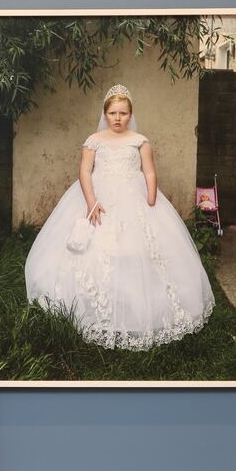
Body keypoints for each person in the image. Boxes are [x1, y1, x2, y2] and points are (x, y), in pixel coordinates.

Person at [24, 85, 215, 351]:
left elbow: (149, 172)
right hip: (99, 197)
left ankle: (138, 303)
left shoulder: (140, 141)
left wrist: (150, 196)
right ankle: (95, 303)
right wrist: (92, 201)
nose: (117, 118)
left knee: (139, 247)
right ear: (105, 114)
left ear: (130, 114)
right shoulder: (94, 140)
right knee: (100, 248)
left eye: (123, 113)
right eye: (113, 112)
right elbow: (85, 172)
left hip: (134, 197)